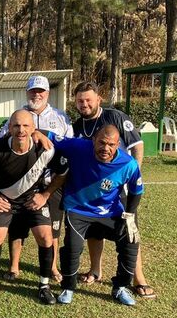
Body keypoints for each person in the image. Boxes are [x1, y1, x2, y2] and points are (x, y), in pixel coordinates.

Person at [0, 110, 66, 305]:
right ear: (9, 128)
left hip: (33, 201)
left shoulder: (44, 148)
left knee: (46, 237)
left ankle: (44, 286)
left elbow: (63, 171)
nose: (20, 130)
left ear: (33, 129)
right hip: (5, 201)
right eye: (16, 126)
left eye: (25, 126)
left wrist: (45, 194)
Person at [72, 81, 155, 298]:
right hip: (93, 190)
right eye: (80, 100)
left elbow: (137, 145)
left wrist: (132, 176)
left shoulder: (115, 117)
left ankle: (139, 279)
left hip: (120, 190)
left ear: (98, 99)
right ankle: (95, 270)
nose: (84, 104)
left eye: (88, 99)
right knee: (94, 230)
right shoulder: (77, 125)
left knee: (129, 231)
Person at [49, 125, 143, 306]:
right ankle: (68, 287)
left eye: (111, 144)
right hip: (78, 210)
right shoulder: (79, 147)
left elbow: (136, 191)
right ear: (93, 140)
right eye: (101, 142)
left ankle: (120, 287)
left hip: (110, 212)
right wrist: (38, 134)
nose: (105, 148)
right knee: (72, 248)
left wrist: (129, 215)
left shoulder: (128, 164)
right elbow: (50, 135)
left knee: (131, 242)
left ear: (118, 145)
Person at [0, 76, 73, 282]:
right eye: (33, 91)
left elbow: (69, 145)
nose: (36, 95)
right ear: (27, 93)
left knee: (53, 228)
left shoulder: (61, 117)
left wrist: (41, 133)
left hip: (52, 181)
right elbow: (1, 142)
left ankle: (52, 267)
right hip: (22, 184)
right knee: (17, 227)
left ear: (48, 94)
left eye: (40, 91)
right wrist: (29, 132)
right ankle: (14, 266)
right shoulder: (16, 117)